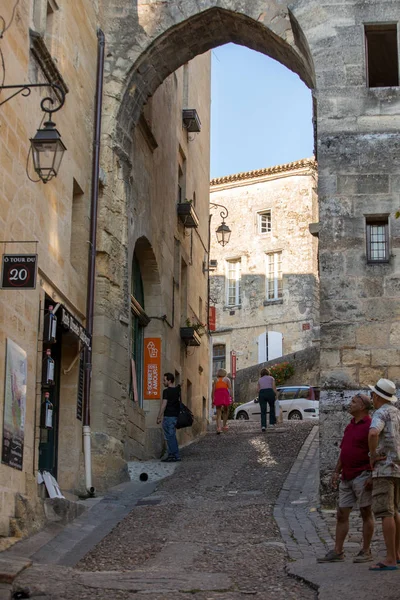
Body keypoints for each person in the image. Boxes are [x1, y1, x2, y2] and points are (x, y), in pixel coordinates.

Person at [317, 393, 374, 563]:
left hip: (362, 474)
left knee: (366, 512)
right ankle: (338, 551)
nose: (350, 404)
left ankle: (366, 550)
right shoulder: (350, 425)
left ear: (362, 406)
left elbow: (375, 452)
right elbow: (344, 451)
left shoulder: (370, 426)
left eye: (354, 402)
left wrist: (372, 474)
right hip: (347, 475)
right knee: (342, 513)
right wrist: (336, 471)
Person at [368, 378, 400, 571]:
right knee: (396, 510)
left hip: (384, 468)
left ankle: (389, 558)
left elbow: (373, 434)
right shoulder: (397, 413)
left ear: (377, 396)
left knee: (385, 512)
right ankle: (397, 553)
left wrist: (373, 455)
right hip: (398, 467)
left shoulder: (380, 413)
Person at [157, 372, 181, 462]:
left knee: (170, 437)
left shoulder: (166, 391)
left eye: (164, 380)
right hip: (175, 416)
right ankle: (172, 454)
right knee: (172, 436)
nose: (163, 382)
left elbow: (164, 405)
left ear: (169, 381)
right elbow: (179, 386)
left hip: (168, 417)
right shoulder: (177, 390)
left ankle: (175, 455)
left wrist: (159, 416)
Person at [212, 368, 231, 434]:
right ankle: (224, 425)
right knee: (226, 410)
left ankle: (218, 428)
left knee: (218, 412)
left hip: (218, 395)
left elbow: (213, 391)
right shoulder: (227, 379)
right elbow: (230, 389)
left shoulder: (215, 380)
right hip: (225, 395)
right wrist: (231, 397)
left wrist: (212, 400)